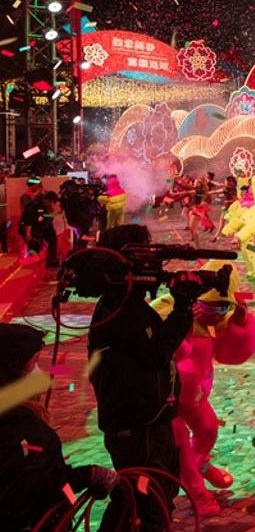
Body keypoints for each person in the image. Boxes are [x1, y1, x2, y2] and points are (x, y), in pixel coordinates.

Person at [88, 224, 207, 531]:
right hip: (139, 429)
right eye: (146, 253)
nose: (153, 261)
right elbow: (156, 353)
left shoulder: (125, 302)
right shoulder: (123, 309)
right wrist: (182, 308)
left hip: (145, 423)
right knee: (149, 504)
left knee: (135, 499)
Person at [151, 261, 255, 516]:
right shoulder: (167, 310)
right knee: (179, 443)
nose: (214, 313)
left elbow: (229, 354)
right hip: (164, 396)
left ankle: (200, 463)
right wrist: (183, 322)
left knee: (208, 428)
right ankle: (197, 490)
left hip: (195, 394)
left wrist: (239, 325)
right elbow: (156, 352)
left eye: (221, 307)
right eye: (208, 306)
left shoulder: (217, 320)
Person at [0, 324, 118, 531]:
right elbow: (33, 492)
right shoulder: (18, 428)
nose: (40, 372)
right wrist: (86, 476)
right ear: (12, 369)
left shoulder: (21, 418)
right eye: (33, 363)